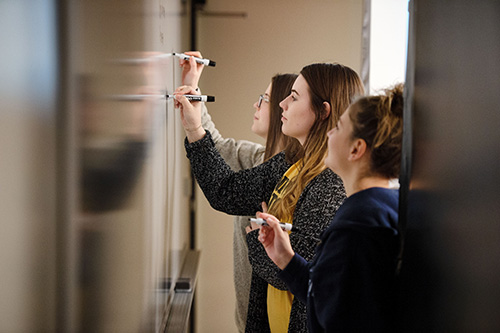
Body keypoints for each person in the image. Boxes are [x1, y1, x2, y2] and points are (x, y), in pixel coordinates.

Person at [175, 62, 364, 332]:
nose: (282, 104)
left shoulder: (332, 182)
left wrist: (258, 241)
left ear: (323, 111)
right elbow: (226, 192)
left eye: (294, 97)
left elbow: (300, 275)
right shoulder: (290, 161)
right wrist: (194, 130)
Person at [258, 83, 404, 332]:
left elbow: (340, 320)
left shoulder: (358, 222)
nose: (328, 134)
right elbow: (327, 296)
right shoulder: (384, 206)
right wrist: (286, 259)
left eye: (338, 128)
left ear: (356, 148)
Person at [179, 52, 300, 332]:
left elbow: (221, 187)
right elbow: (215, 147)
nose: (256, 104)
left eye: (265, 99)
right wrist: (193, 88)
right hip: (249, 317)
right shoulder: (260, 158)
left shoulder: (291, 175)